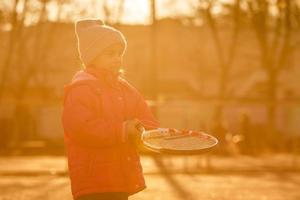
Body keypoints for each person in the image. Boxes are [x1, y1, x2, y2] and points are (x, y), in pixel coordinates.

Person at [61, 19, 160, 200]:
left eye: (119, 53)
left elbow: (146, 119)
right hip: (93, 181)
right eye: (110, 54)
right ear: (92, 57)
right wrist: (122, 129)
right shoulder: (81, 89)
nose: (117, 58)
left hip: (120, 177)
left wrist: (142, 131)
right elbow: (82, 128)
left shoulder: (126, 90)